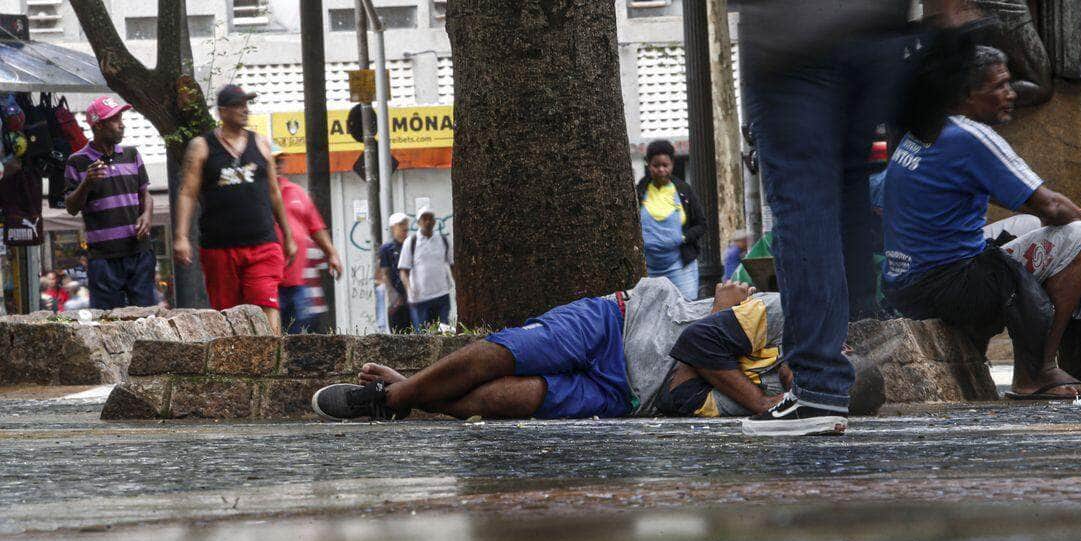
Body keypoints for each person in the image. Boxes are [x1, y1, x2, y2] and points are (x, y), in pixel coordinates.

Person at [309, 278, 842, 434]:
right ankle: (389, 398)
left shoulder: (772, 403)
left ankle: (407, 392)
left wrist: (736, 381)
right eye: (811, 371)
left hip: (628, 396)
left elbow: (682, 398)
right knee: (504, 354)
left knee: (511, 401)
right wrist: (756, 400)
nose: (795, 381)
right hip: (618, 321)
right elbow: (696, 348)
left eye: (798, 388)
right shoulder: (783, 314)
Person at [882, 44, 1081, 400]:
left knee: (1025, 227)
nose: (1011, 93)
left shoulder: (926, 127)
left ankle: (1006, 355)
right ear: (967, 95)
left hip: (906, 282)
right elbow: (1051, 206)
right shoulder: (970, 137)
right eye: (1000, 86)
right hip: (945, 286)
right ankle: (1037, 371)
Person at [739, 0, 915, 435]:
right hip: (872, 34)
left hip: (797, 37)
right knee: (846, 191)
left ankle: (818, 384)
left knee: (803, 201)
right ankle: (850, 347)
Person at [172, 84, 296, 335]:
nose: (244, 110)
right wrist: (181, 236)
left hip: (262, 243)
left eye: (246, 104)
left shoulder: (260, 143)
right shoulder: (202, 146)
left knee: (265, 304)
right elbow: (187, 191)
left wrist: (288, 236)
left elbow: (274, 193)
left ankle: (273, 365)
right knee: (228, 315)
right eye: (238, 105)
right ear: (222, 111)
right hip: (220, 247)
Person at [63, 96, 154, 310]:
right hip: (103, 258)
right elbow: (71, 207)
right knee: (108, 320)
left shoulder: (132, 154)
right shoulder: (77, 161)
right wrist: (87, 182)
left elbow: (145, 194)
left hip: (139, 252)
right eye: (115, 120)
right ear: (99, 125)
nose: (122, 124)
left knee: (147, 317)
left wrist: (147, 215)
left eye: (121, 118)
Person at [272, 145, 341, 334]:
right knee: (274, 335)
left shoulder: (296, 191)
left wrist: (332, 254)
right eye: (272, 161)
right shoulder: (258, 194)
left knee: (303, 332)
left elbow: (316, 227)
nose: (277, 165)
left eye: (279, 161)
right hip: (270, 283)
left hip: (298, 281)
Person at [635, 140, 706, 301]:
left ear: (672, 164)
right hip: (649, 270)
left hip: (680, 267)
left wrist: (683, 238)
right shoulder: (640, 191)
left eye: (665, 165)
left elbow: (701, 224)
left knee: (685, 309)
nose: (661, 170)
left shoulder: (683, 191)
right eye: (656, 165)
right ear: (647, 164)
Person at [397, 207, 453, 331]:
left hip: (441, 295)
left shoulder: (443, 240)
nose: (427, 221)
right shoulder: (411, 242)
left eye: (430, 218)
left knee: (445, 333)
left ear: (434, 221)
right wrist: (409, 290)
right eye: (424, 218)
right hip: (419, 298)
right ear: (418, 223)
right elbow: (403, 271)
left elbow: (452, 264)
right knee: (423, 336)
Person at [375, 212, 411, 332]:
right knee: (399, 334)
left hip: (414, 299)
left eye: (405, 224)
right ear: (393, 228)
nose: (404, 228)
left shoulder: (412, 246)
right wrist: (395, 297)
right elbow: (384, 274)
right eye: (400, 224)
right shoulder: (387, 249)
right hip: (397, 301)